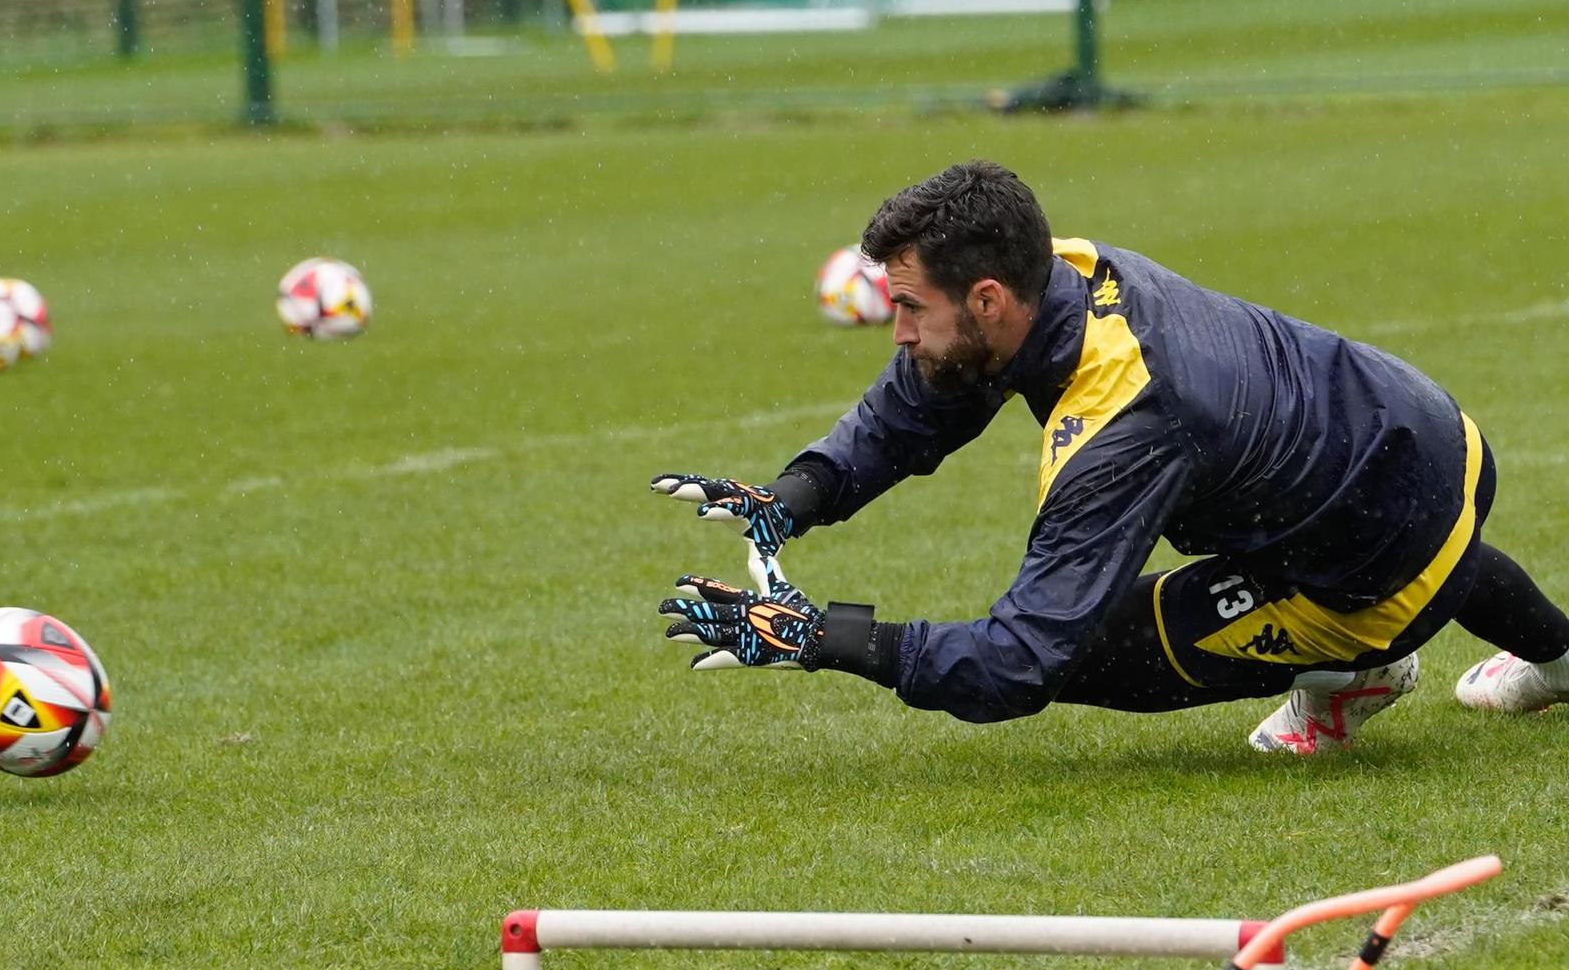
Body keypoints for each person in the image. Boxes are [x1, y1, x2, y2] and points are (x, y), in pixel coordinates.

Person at [652, 160, 1569, 751]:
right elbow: (933, 396)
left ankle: (1354, 669)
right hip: (1420, 432)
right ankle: (1561, 659)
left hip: (1375, 553)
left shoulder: (1125, 422)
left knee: (1085, 647)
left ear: (984, 300)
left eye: (909, 309)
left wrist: (819, 636)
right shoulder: (1060, 268)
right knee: (1370, 518)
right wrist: (797, 494)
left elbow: (1017, 662)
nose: (896, 332)